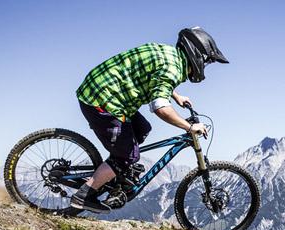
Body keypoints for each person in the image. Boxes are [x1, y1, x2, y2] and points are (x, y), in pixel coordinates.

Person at [71, 27, 229, 213]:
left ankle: (115, 172)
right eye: (206, 61)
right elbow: (161, 109)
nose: (205, 66)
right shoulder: (172, 70)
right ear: (197, 54)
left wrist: (175, 95)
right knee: (126, 156)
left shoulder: (170, 55)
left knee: (142, 129)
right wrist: (189, 127)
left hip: (107, 92)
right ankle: (83, 196)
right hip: (102, 100)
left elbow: (154, 76)